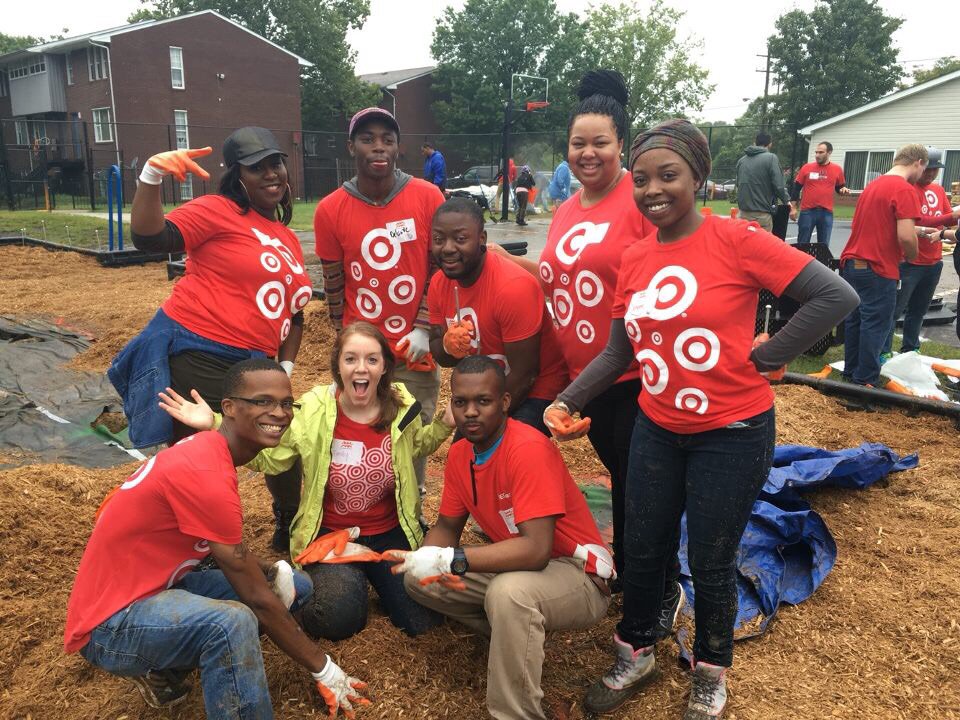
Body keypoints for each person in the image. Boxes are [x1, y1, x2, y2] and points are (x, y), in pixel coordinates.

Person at [545, 119, 858, 718]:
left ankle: (711, 674)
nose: (652, 189)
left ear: (699, 178)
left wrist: (769, 354)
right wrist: (569, 400)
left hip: (732, 432)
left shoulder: (737, 239)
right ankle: (635, 651)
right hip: (657, 427)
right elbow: (619, 352)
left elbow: (834, 296)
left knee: (713, 560)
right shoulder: (635, 257)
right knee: (642, 542)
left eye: (669, 176)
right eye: (641, 179)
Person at [66, 359, 369, 719]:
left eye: (286, 403)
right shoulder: (206, 473)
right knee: (232, 623)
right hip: (110, 625)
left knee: (294, 584)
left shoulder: (208, 450)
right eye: (262, 401)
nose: (279, 412)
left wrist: (272, 571)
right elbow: (256, 599)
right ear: (229, 408)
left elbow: (230, 552)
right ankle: (164, 668)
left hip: (157, 586)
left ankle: (168, 663)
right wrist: (325, 669)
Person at [161, 322, 455, 642]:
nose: (362, 368)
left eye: (372, 359)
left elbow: (416, 446)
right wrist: (216, 425)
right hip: (332, 537)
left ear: (385, 366)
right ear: (337, 366)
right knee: (335, 618)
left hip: (391, 533)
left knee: (423, 622)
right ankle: (339, 582)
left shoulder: (402, 405)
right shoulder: (313, 410)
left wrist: (444, 424)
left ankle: (379, 578)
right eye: (351, 359)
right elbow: (271, 457)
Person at [112, 126, 312, 553]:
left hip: (256, 363)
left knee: (280, 440)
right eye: (256, 167)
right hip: (200, 351)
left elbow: (296, 315)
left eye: (275, 163)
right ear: (237, 175)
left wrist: (285, 368)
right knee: (202, 456)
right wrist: (150, 177)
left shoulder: (287, 237)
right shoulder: (217, 210)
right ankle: (194, 548)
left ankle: (289, 521)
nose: (271, 173)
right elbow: (150, 238)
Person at [385, 355, 614, 720]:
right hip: (519, 566)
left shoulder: (528, 448)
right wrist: (424, 557)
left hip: (576, 573)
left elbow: (536, 550)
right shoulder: (462, 454)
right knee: (419, 580)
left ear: (504, 403)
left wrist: (450, 559)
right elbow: (446, 525)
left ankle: (515, 712)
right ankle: (516, 641)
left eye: (483, 401)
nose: (471, 412)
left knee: (508, 594)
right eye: (461, 402)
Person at [314, 107, 445, 502]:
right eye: (368, 138)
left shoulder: (426, 196)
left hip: (414, 348)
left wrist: (424, 325)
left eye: (387, 139)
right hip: (364, 350)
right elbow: (334, 282)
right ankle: (364, 505)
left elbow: (439, 269)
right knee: (361, 426)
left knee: (412, 429)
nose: (378, 147)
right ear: (351, 145)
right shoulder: (331, 209)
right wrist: (343, 337)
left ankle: (412, 503)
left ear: (398, 147)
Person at [427, 197, 568, 436]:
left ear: (481, 240)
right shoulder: (439, 284)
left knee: (503, 451)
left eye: (460, 239)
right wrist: (448, 346)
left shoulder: (512, 287)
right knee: (464, 457)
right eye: (439, 240)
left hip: (536, 390)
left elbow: (525, 374)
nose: (448, 248)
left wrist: (483, 426)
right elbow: (441, 355)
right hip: (486, 389)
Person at [840, 144, 927, 386]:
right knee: (876, 323)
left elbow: (882, 223)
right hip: (877, 268)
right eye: (925, 168)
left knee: (856, 320)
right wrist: (912, 256)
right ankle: (865, 381)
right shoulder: (904, 188)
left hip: (853, 263)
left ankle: (851, 373)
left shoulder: (874, 185)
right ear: (918, 162)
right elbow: (906, 237)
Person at [883, 147, 958, 356]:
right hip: (910, 261)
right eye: (928, 170)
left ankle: (910, 349)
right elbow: (918, 221)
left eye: (935, 170)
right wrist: (951, 217)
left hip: (934, 261)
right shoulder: (907, 189)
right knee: (895, 310)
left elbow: (943, 219)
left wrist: (945, 226)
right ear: (920, 166)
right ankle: (884, 350)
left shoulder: (939, 190)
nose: (931, 174)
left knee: (919, 310)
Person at [789, 141, 850, 245]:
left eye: (821, 152)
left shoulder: (837, 169)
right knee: (802, 244)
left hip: (826, 213)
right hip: (808, 212)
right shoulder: (807, 168)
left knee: (823, 246)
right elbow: (796, 189)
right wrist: (793, 209)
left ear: (829, 152)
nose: (817, 155)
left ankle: (821, 261)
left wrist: (843, 190)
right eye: (816, 152)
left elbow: (839, 188)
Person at [735, 131, 790, 232]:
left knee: (743, 245)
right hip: (761, 215)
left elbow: (738, 184)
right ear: (770, 144)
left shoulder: (741, 160)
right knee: (761, 246)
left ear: (754, 143)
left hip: (742, 214)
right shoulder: (771, 158)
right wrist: (787, 201)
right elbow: (779, 185)